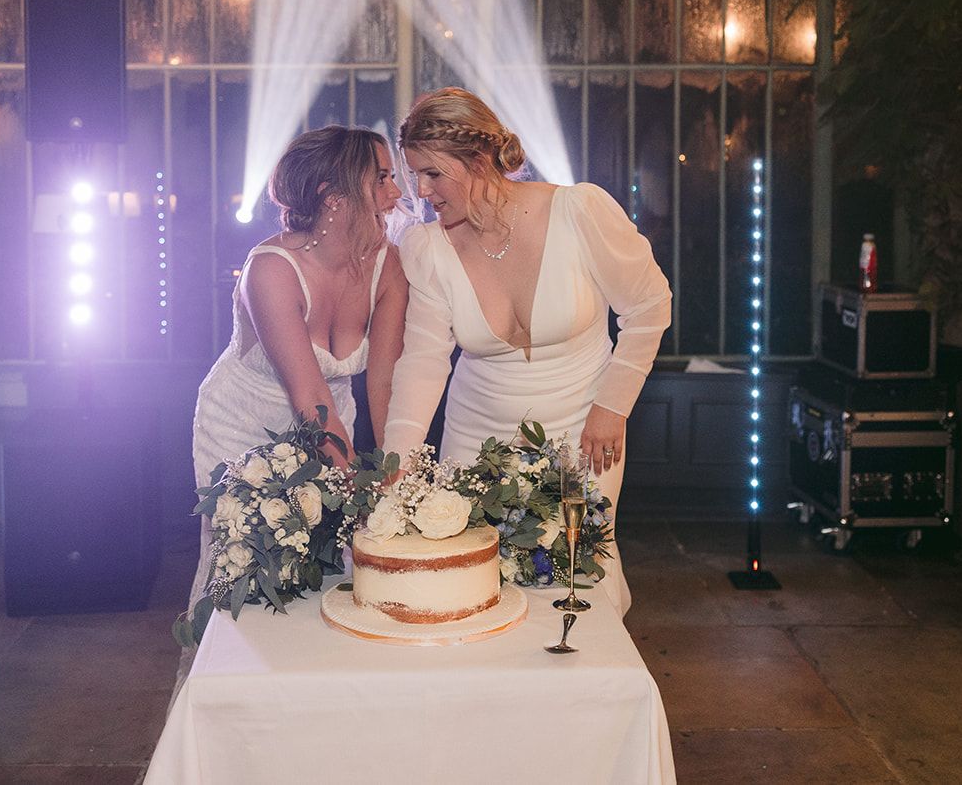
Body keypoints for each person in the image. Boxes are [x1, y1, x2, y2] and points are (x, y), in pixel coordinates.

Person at [382, 88, 671, 614]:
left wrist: (613, 406)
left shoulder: (579, 211)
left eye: (432, 173)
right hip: (475, 442)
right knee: (473, 589)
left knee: (579, 578)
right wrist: (399, 460)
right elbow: (423, 361)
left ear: (476, 160)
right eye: (414, 175)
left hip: (584, 434)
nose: (421, 191)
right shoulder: (426, 248)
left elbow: (649, 304)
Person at [188, 126, 407, 599]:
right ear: (333, 196)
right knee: (247, 570)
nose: (396, 193)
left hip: (333, 423)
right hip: (243, 428)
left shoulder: (388, 265)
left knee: (328, 569)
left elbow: (384, 383)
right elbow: (309, 394)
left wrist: (395, 473)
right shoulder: (270, 268)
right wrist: (360, 491)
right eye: (381, 178)